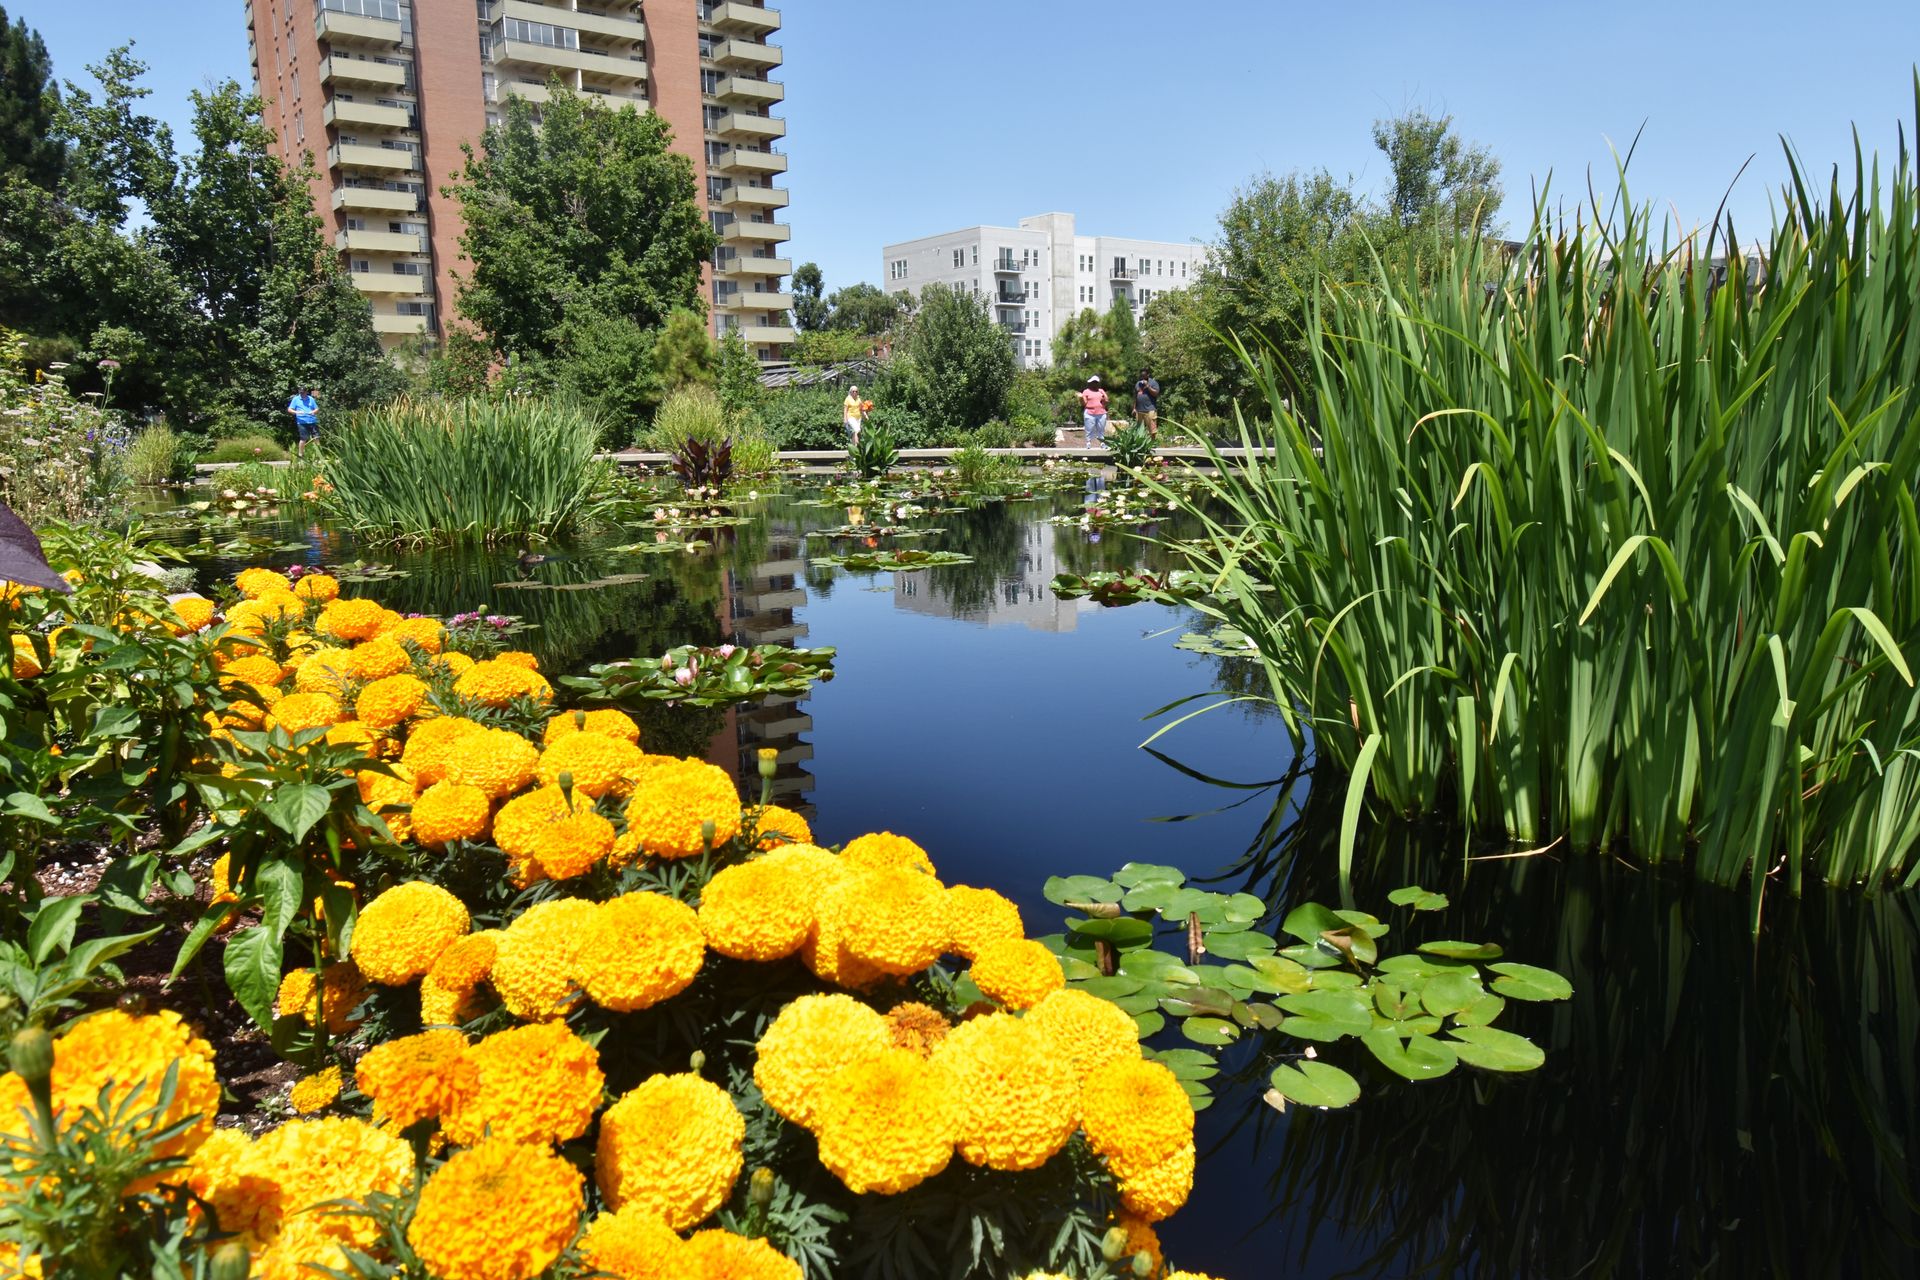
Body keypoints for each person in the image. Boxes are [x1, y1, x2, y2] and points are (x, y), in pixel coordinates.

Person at [286, 385, 320, 457]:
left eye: (303, 393)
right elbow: (289, 409)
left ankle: (319, 454)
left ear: (306, 392)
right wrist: (297, 412)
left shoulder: (311, 399)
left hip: (312, 421)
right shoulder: (296, 399)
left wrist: (313, 412)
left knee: (316, 437)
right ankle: (300, 454)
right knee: (303, 438)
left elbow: (317, 409)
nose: (302, 394)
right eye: (300, 393)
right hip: (302, 422)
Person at [1079, 376, 1110, 449]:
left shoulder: (1100, 391)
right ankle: (1088, 442)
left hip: (1101, 413)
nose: (1095, 384)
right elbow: (1084, 403)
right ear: (1090, 383)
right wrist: (1081, 398)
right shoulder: (1086, 391)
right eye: (1093, 382)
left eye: (1096, 382)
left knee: (1101, 429)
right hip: (1089, 413)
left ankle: (1102, 443)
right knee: (1089, 428)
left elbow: (1107, 400)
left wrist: (1104, 394)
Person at [1134, 368, 1162, 437]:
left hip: (1150, 409)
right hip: (1139, 410)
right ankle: (1141, 445)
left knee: (1152, 429)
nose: (1142, 377)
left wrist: (1148, 386)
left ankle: (1152, 443)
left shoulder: (1153, 382)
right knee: (1139, 429)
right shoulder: (1138, 383)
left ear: (1148, 375)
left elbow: (1156, 393)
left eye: (1144, 375)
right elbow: (1135, 396)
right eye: (1141, 376)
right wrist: (1134, 408)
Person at [843, 384, 865, 449]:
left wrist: (865, 416)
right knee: (857, 430)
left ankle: (853, 449)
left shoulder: (859, 399)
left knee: (855, 432)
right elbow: (845, 410)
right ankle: (857, 447)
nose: (855, 392)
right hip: (850, 417)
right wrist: (845, 419)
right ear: (850, 392)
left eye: (856, 391)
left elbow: (862, 408)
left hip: (858, 418)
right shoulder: (848, 399)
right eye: (853, 391)